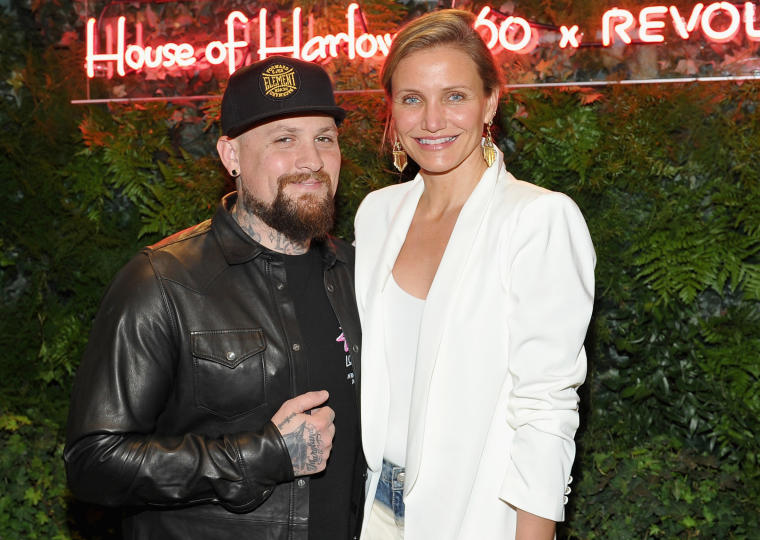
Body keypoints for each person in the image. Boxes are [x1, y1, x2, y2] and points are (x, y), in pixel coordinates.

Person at [64, 56, 364, 540]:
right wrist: (263, 455)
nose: (312, 160)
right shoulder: (163, 280)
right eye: (284, 139)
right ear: (231, 156)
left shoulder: (358, 274)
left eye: (324, 138)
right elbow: (93, 462)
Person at [353, 10, 595, 540]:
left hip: (480, 514)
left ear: (490, 101)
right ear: (392, 109)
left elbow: (546, 406)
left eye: (455, 96)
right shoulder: (376, 215)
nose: (433, 120)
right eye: (412, 98)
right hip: (378, 511)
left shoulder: (536, 219)